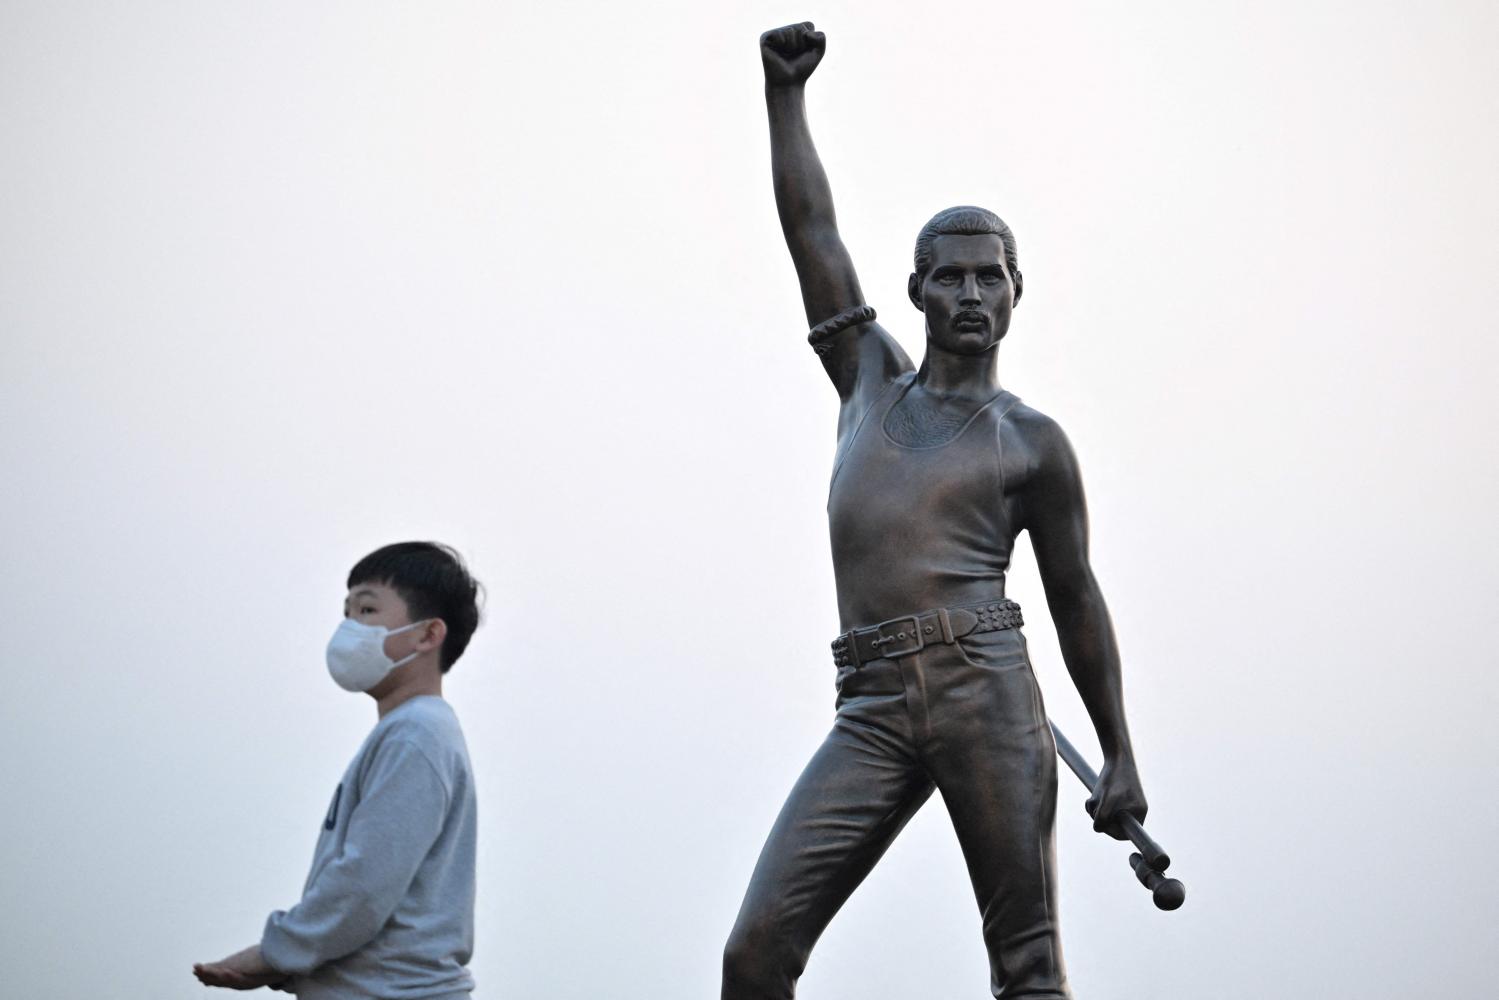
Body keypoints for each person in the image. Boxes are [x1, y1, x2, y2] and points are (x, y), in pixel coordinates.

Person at [722, 23, 1150, 1000]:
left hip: (984, 689)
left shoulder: (1030, 440)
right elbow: (813, 232)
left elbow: (1074, 600)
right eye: (947, 275)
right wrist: (782, 98)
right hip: (868, 702)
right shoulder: (867, 381)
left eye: (987, 275)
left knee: (1026, 965)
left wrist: (1118, 751)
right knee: (753, 955)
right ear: (913, 290)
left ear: (1014, 293)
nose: (968, 291)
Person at [194, 541, 483, 998]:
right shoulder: (410, 731)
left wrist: (275, 952)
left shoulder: (416, 734)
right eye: (346, 612)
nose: (350, 628)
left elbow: (365, 885)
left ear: (428, 635)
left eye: (367, 610)